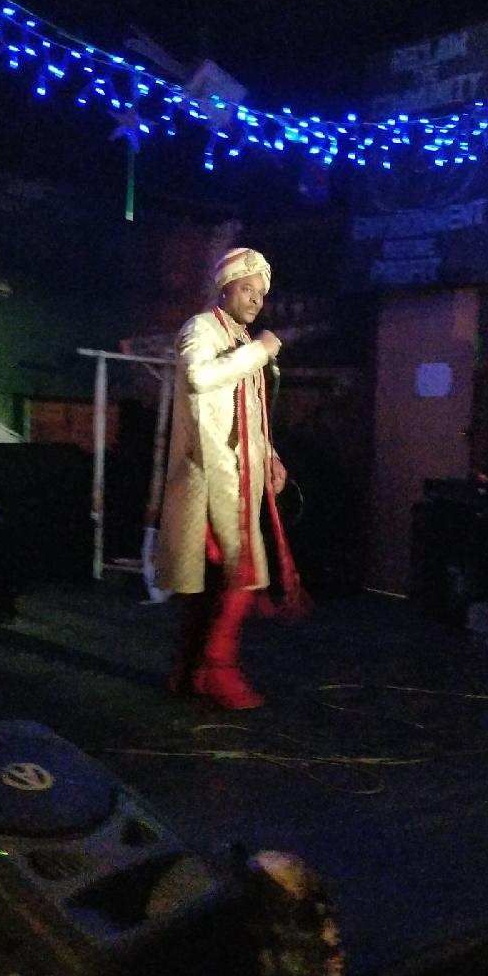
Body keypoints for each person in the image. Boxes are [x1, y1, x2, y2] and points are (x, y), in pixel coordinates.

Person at [156, 246, 303, 709]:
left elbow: (249, 414)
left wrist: (270, 456)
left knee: (216, 579)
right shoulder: (201, 329)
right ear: (225, 289)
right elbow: (200, 378)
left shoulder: (238, 337)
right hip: (208, 478)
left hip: (234, 477)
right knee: (240, 572)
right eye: (247, 288)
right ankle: (216, 669)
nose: (257, 299)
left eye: (261, 292)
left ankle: (189, 672)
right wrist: (261, 350)